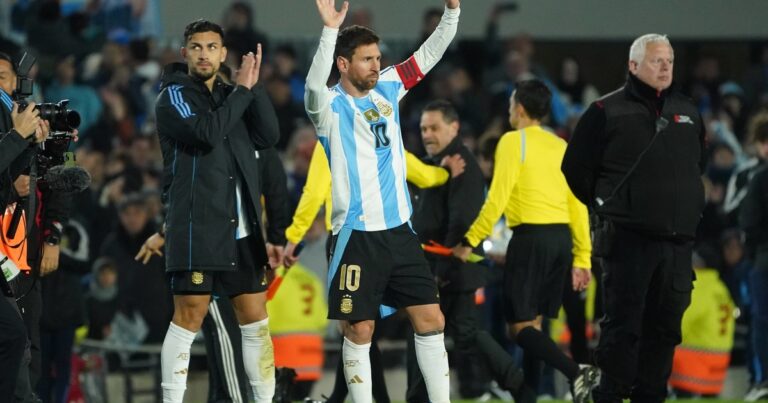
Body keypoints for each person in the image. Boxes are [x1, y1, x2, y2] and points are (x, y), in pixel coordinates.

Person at [304, 0, 459, 401]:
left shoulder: (389, 85)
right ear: (343, 64)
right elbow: (311, 85)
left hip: (399, 233)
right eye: (366, 59)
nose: (376, 65)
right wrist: (328, 30)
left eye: (377, 57)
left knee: (431, 319)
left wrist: (452, 12)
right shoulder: (328, 108)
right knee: (359, 329)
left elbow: (428, 55)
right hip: (356, 236)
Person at [561, 34, 706, 402]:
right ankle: (609, 394)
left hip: (677, 245)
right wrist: (604, 205)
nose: (665, 67)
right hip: (628, 241)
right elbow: (575, 168)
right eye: (656, 60)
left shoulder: (688, 111)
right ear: (633, 65)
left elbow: (694, 167)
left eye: (669, 61)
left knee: (666, 329)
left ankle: (650, 396)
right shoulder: (604, 111)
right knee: (622, 329)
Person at [281, 133, 464, 403]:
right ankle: (358, 398)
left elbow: (315, 192)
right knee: (363, 330)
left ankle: (359, 398)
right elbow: (422, 175)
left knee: (356, 329)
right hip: (388, 238)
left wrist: (294, 237)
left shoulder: (333, 135)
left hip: (348, 241)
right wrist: (445, 173)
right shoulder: (382, 132)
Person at [153, 19, 280, 403]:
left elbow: (269, 136)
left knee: (255, 320)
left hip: (240, 229)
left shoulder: (234, 94)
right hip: (197, 229)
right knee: (188, 317)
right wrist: (241, 91)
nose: (204, 54)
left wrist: (252, 87)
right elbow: (207, 133)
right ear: (185, 53)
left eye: (211, 47)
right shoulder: (173, 96)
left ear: (223, 54)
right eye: (196, 47)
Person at [452, 79, 596, 402]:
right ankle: (528, 397)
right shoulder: (561, 145)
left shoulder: (512, 142)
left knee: (518, 329)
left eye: (510, 106)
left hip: (531, 238)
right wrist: (582, 257)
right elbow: (578, 205)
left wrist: (470, 240)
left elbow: (496, 199)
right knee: (534, 325)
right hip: (561, 241)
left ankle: (576, 372)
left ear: (518, 109)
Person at [407, 100, 490, 401]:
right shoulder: (434, 163)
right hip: (434, 266)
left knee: (461, 335)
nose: (427, 134)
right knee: (442, 335)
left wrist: (442, 271)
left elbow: (461, 221)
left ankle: (482, 389)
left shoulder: (462, 165)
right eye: (423, 128)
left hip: (450, 268)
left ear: (454, 127)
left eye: (434, 128)